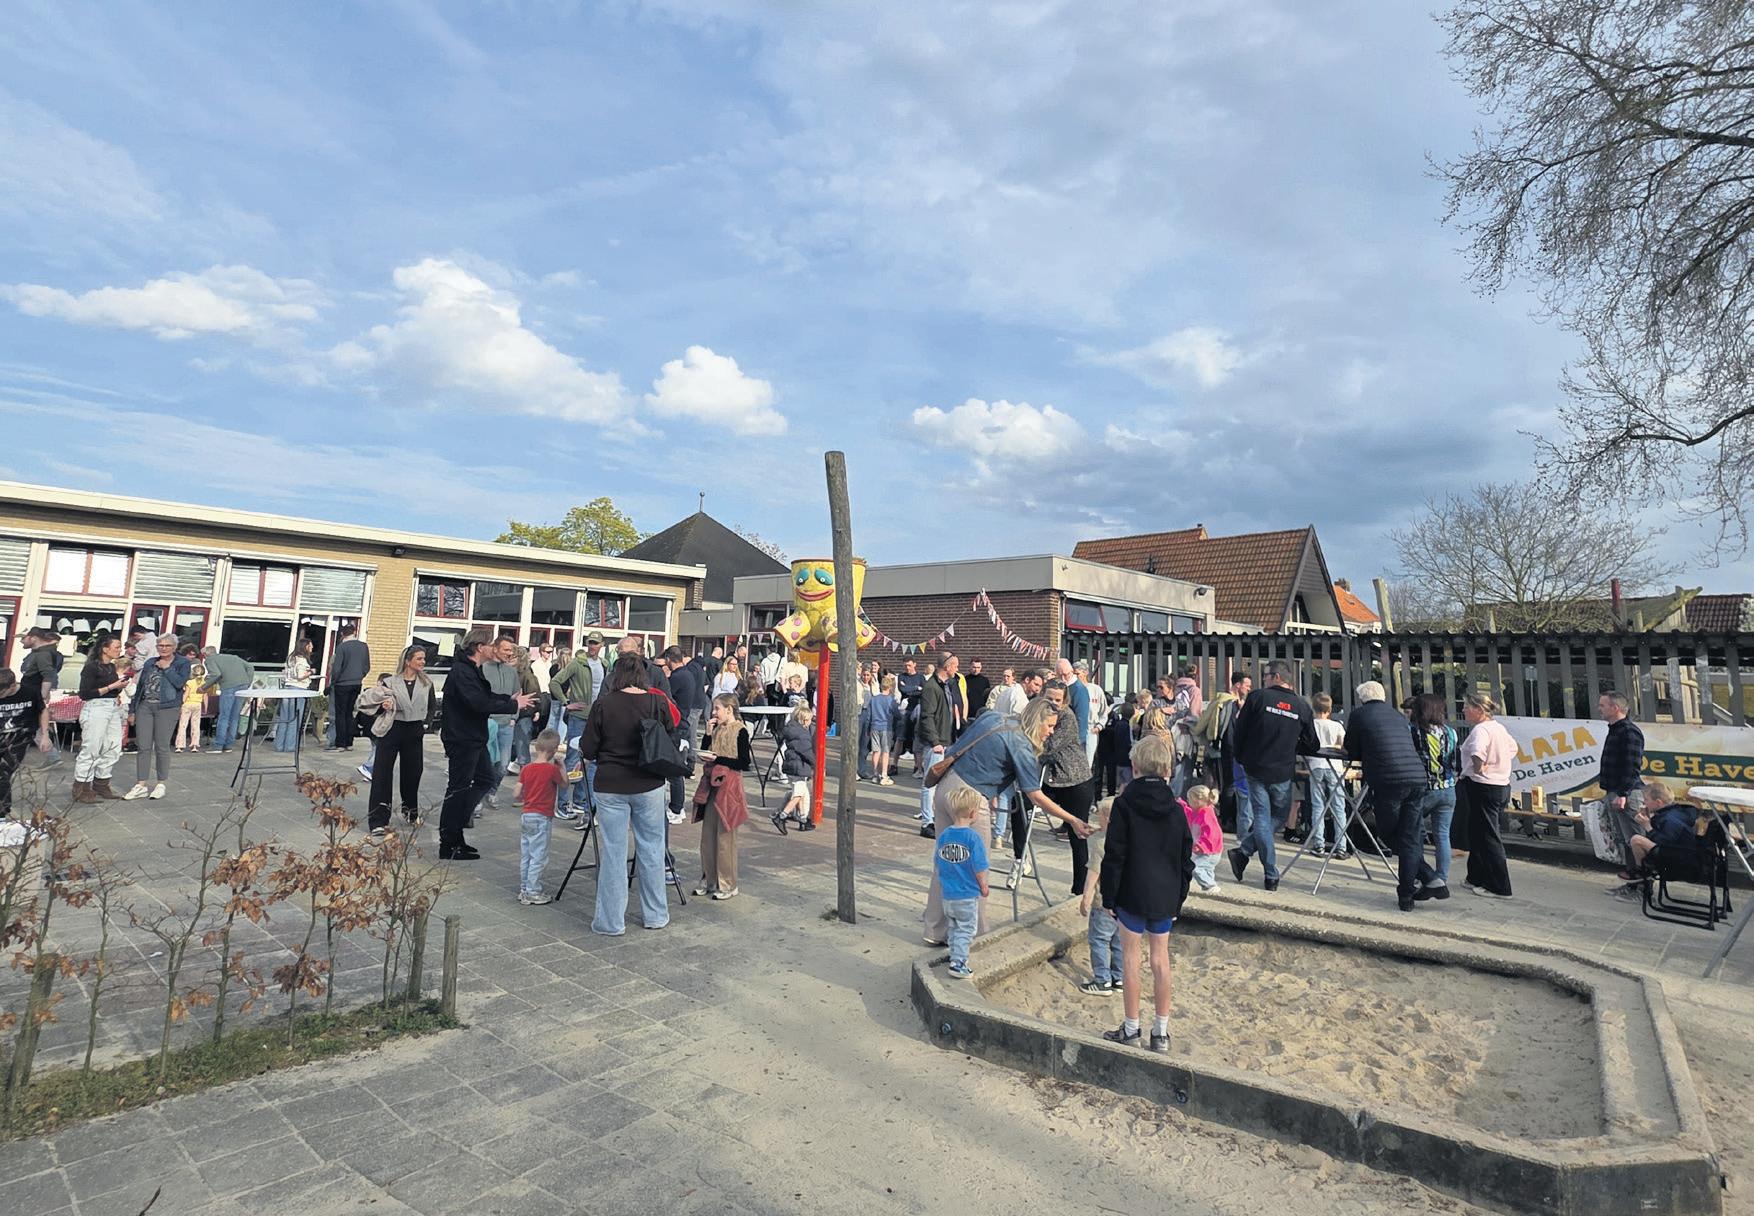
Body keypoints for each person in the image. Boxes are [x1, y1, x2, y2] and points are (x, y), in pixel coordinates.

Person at [921, 697, 1094, 944]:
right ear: (1036, 721)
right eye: (1049, 726)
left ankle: (934, 930)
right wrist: (1072, 820)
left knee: (946, 861)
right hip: (971, 798)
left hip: (946, 785)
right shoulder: (1021, 745)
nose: (1051, 732)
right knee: (975, 867)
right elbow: (1035, 795)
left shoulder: (994, 717)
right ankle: (974, 935)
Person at [1098, 732, 1193, 1053]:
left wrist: (1108, 896)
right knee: (1160, 960)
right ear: (1167, 770)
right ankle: (1161, 1032)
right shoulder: (1177, 810)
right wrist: (1179, 897)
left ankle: (1131, 1027)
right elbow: (1185, 858)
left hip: (1131, 890)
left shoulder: (1124, 805)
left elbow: (1114, 854)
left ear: (1135, 767)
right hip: (1165, 893)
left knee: (1131, 958)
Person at [580, 652, 679, 931]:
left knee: (613, 852)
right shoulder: (657, 702)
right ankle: (655, 915)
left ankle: (610, 922)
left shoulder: (603, 704)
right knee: (652, 849)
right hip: (649, 782)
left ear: (616, 675)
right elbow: (671, 737)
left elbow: (588, 748)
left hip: (611, 783)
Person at [437, 629, 534, 861]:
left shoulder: (473, 669)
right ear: (480, 647)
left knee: (485, 779)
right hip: (462, 738)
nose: (493, 647)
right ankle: (449, 842)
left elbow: (486, 696)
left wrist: (508, 701)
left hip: (474, 737)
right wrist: (513, 705)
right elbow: (477, 703)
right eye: (491, 644)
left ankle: (459, 826)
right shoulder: (462, 671)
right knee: (458, 788)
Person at [1343, 681, 1437, 912]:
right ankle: (1408, 893)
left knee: (1389, 833)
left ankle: (1427, 876)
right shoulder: (1397, 716)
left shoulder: (1360, 715)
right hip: (1416, 778)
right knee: (1409, 836)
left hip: (1389, 780)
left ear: (1362, 699)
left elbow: (1351, 749)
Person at [1227, 660, 1316, 891]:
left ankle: (1245, 852)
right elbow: (1312, 743)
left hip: (1256, 767)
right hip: (1282, 770)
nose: (1263, 680)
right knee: (1275, 817)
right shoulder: (1301, 706)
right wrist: (1292, 744)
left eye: (1266, 675)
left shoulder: (1257, 698)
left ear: (1276, 677)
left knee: (1264, 819)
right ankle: (1269, 873)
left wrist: (1241, 757)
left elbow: (1240, 731)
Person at [358, 646, 435, 838]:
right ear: (408, 661)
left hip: (414, 730)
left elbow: (432, 706)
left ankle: (410, 812)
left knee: (413, 773)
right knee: (382, 774)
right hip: (393, 728)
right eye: (419, 658)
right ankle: (378, 820)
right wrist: (383, 706)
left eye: (423, 658)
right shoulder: (390, 682)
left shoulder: (427, 683)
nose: (423, 662)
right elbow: (374, 704)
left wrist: (426, 724)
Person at [1040, 679, 1096, 896]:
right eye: (1049, 698)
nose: (1053, 703)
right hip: (1052, 779)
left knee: (1078, 834)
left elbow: (1049, 746)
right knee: (1022, 803)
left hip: (1075, 780)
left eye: (1057, 700)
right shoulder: (1038, 713)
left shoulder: (1066, 717)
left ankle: (1080, 889)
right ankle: (1019, 857)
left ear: (1064, 701)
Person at [693, 693, 752, 900]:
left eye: (717, 708)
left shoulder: (740, 730)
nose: (714, 712)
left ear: (729, 709)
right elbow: (706, 751)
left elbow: (744, 762)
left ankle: (728, 883)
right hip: (712, 785)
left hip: (730, 787)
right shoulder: (716, 728)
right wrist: (708, 734)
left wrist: (719, 759)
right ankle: (709, 879)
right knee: (708, 836)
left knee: (725, 837)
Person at [1457, 692, 1515, 899]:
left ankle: (1500, 886)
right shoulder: (1498, 728)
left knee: (1489, 836)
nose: (1463, 710)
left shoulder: (1481, 730)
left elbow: (1477, 752)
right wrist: (1499, 763)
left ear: (1479, 710)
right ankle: (1476, 876)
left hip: (1483, 785)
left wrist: (1480, 767)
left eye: (1467, 706)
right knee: (1478, 832)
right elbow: (1513, 748)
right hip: (1500, 784)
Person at [123, 634, 190, 800]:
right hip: (145, 705)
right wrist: (132, 710)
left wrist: (167, 668)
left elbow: (179, 683)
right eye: (160, 645)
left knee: (162, 746)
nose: (163, 648)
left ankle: (161, 783)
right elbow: (140, 686)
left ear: (174, 647)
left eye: (167, 645)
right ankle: (141, 784)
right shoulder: (150, 662)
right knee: (143, 746)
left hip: (167, 707)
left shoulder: (182, 663)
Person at [936, 785, 990, 980]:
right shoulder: (972, 837)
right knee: (966, 929)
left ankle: (954, 955)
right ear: (973, 813)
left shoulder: (945, 835)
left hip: (948, 893)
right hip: (966, 893)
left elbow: (938, 862)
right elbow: (979, 866)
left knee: (953, 927)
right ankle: (958, 963)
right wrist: (983, 885)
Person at [1410, 693, 1461, 900]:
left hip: (1424, 788)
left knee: (1413, 832)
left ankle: (1420, 874)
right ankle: (1441, 877)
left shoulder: (1414, 731)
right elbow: (1456, 761)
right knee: (1442, 835)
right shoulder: (1451, 732)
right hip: (1448, 788)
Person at [1618, 779, 1701, 897]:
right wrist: (1649, 819)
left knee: (1637, 840)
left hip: (1678, 860)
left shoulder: (1670, 819)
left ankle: (1642, 873)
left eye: (1646, 800)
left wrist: (1647, 826)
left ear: (1658, 802)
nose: (1644, 802)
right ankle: (1641, 873)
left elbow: (1664, 842)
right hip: (1682, 854)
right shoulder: (1675, 812)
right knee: (1639, 841)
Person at [1598, 691, 1648, 885]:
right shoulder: (1615, 730)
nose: (1600, 709)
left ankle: (1642, 885)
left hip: (1626, 793)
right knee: (1625, 839)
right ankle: (1632, 880)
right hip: (1616, 791)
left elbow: (1632, 766)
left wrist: (1622, 793)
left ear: (1615, 707)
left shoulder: (1629, 732)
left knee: (1635, 838)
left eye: (1603, 705)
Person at [73, 634, 131, 803]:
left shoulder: (111, 667)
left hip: (112, 707)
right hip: (96, 708)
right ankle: (81, 787)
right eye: (116, 647)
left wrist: (120, 687)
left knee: (113, 746)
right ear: (105, 649)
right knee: (92, 747)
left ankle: (102, 782)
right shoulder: (91, 667)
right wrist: (112, 686)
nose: (119, 650)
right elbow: (84, 693)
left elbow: (112, 690)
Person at [549, 641, 600, 822]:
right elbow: (555, 683)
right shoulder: (577, 663)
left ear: (602, 645)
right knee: (572, 759)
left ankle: (579, 801)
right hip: (578, 717)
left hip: (595, 718)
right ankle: (562, 805)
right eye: (590, 642)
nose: (593, 646)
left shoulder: (603, 664)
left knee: (589, 760)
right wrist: (566, 703)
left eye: (596, 643)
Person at [1076, 798, 1122, 995]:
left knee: (1099, 940)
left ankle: (1102, 980)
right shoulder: (1129, 840)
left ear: (1106, 819)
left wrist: (1086, 897)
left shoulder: (1100, 844)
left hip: (1104, 901)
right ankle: (1119, 978)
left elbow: (1094, 872)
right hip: (1125, 902)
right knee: (1120, 941)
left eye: (1100, 817)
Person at [515, 729, 566, 906]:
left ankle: (524, 888)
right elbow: (564, 784)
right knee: (539, 856)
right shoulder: (551, 770)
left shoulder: (527, 768)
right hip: (542, 816)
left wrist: (523, 798)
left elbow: (516, 793)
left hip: (527, 814)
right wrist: (562, 767)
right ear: (554, 750)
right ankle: (533, 891)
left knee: (526, 854)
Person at [478, 635, 522, 814]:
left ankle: (492, 791)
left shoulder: (511, 672)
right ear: (495, 649)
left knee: (503, 766)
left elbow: (517, 695)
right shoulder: (482, 669)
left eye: (511, 650)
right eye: (506, 649)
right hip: (488, 723)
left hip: (506, 724)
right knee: (485, 763)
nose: (509, 653)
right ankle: (478, 799)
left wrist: (514, 717)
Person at [0, 667, 48, 818]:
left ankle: (2, 812)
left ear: (12, 686)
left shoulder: (30, 692)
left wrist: (45, 735)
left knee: (3, 771)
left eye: (2, 693)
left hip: (20, 737)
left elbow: (43, 710)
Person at [916, 658, 956, 837]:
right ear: (947, 667)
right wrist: (935, 741)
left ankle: (937, 818)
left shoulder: (946, 685)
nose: (957, 669)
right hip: (936, 743)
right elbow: (927, 716)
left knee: (943, 784)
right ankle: (927, 822)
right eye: (955, 666)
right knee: (929, 782)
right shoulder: (932, 687)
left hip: (946, 740)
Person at [1307, 693, 1348, 857]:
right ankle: (1341, 846)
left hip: (1316, 765)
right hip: (1335, 766)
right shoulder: (1337, 725)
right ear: (1330, 709)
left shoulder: (1311, 725)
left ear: (1314, 708)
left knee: (1318, 806)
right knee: (1339, 807)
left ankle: (1319, 844)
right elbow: (1342, 745)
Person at [19, 629, 64, 765]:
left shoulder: (43, 654)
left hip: (33, 694)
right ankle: (53, 756)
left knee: (29, 725)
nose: (21, 641)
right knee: (31, 725)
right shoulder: (38, 653)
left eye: (24, 638)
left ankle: (53, 756)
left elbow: (48, 675)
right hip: (30, 693)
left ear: (33, 638)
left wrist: (43, 695)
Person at [324, 624, 371, 752]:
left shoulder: (342, 647)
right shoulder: (363, 646)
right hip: (357, 683)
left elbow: (336, 668)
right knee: (350, 713)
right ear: (355, 632)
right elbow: (367, 666)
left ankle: (340, 743)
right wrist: (360, 676)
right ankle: (349, 742)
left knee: (340, 714)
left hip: (342, 684)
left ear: (342, 634)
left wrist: (332, 683)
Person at [772, 701, 816, 834]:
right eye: (809, 719)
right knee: (798, 794)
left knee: (802, 793)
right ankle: (781, 816)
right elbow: (806, 751)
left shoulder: (791, 730)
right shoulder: (802, 734)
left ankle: (803, 820)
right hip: (799, 767)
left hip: (792, 766)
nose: (810, 722)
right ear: (804, 720)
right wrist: (815, 764)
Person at [199, 647, 254, 754]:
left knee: (224, 716)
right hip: (242, 686)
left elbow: (216, 674)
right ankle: (228, 745)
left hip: (228, 687)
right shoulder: (233, 657)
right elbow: (250, 667)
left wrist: (204, 687)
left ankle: (218, 746)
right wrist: (248, 682)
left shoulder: (210, 660)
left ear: (206, 654)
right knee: (234, 717)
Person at [274, 637, 315, 752]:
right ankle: (290, 746)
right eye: (310, 645)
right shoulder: (302, 660)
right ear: (306, 646)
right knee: (295, 719)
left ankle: (279, 745)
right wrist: (311, 672)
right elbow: (300, 676)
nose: (312, 648)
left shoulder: (291, 658)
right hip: (298, 689)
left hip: (287, 688)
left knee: (284, 718)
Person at [1183, 784, 1224, 893]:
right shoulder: (1200, 812)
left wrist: (1201, 845)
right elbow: (1190, 815)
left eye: (1189, 799)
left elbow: (1212, 833)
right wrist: (1182, 805)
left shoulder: (1206, 814)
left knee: (1195, 868)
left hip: (1210, 851)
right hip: (1207, 851)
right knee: (1206, 868)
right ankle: (1210, 886)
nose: (1188, 801)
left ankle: (1210, 885)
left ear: (1197, 800)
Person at [868, 674, 899, 785]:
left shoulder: (874, 699)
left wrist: (869, 727)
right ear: (890, 687)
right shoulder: (891, 700)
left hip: (874, 726)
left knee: (876, 751)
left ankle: (875, 774)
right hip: (886, 727)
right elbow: (897, 714)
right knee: (885, 751)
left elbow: (869, 715)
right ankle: (884, 774)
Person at [175, 644, 206, 753]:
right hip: (198, 704)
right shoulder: (204, 683)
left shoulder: (189, 682)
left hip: (187, 703)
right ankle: (194, 745)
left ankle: (179, 745)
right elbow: (205, 695)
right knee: (196, 725)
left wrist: (181, 703)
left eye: (194, 655)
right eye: (190, 654)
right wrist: (205, 706)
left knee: (183, 725)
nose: (192, 657)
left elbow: (186, 694)